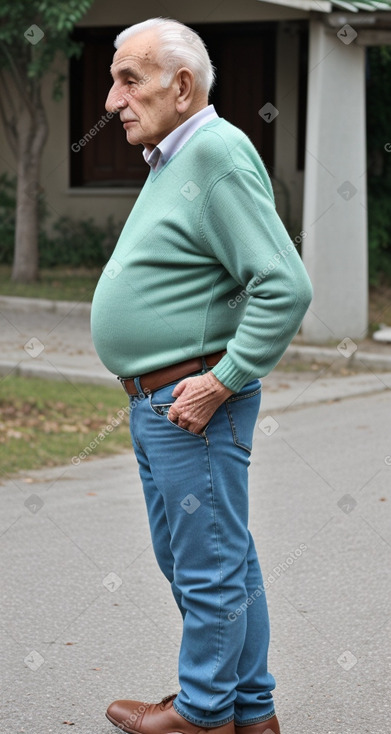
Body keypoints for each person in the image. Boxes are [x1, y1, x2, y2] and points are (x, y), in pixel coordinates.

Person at [91, 17, 312, 734]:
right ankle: (249, 713)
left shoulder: (213, 150)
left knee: (209, 567)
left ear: (180, 86)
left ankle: (203, 714)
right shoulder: (174, 157)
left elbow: (283, 284)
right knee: (216, 559)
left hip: (192, 401)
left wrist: (224, 379)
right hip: (159, 400)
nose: (111, 100)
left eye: (129, 79)